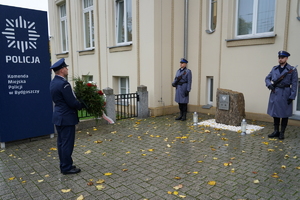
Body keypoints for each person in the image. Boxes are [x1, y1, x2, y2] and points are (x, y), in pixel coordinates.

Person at [50, 58, 85, 174]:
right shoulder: (64, 84)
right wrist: (81, 105)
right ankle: (66, 168)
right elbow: (72, 102)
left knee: (61, 143)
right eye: (65, 67)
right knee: (67, 144)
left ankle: (65, 164)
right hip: (66, 118)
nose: (67, 69)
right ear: (61, 70)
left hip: (59, 117)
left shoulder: (54, 82)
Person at [265, 51, 298, 140]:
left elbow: (294, 84)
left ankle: (282, 132)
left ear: (286, 58)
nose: (280, 59)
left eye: (282, 58)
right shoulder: (274, 69)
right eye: (279, 57)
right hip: (275, 92)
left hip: (285, 93)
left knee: (284, 114)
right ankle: (276, 131)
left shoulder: (292, 70)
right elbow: (267, 78)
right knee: (275, 113)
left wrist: (292, 96)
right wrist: (269, 85)